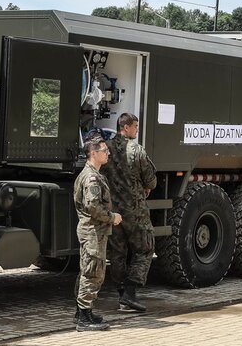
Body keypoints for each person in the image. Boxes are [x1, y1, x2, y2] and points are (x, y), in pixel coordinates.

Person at [101, 113, 158, 313]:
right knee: (145, 248)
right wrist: (144, 185)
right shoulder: (137, 150)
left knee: (117, 252)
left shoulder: (104, 149)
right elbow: (151, 180)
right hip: (135, 211)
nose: (137, 130)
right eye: (135, 126)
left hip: (113, 211)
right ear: (125, 127)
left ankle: (121, 294)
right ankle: (130, 294)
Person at [73, 136, 123, 331]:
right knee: (92, 273)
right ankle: (84, 317)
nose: (107, 153)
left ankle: (83, 312)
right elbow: (93, 207)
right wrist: (112, 217)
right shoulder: (91, 177)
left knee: (89, 270)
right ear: (93, 154)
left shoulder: (91, 174)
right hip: (93, 232)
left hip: (94, 232)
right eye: (104, 151)